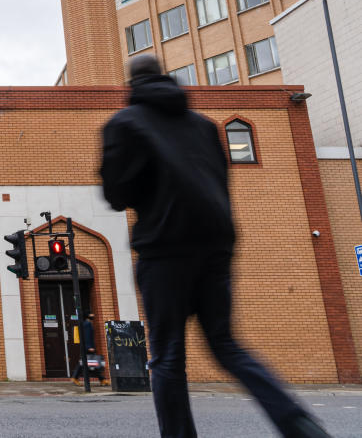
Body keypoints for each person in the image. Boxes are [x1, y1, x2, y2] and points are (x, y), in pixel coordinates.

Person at [101, 54, 329, 438]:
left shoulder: (124, 124)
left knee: (169, 356)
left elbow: (116, 193)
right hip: (215, 246)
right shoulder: (204, 125)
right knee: (225, 344)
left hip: (164, 248)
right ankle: (297, 422)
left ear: (132, 84)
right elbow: (220, 181)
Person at [73, 313, 104, 386]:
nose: (93, 316)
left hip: (86, 347)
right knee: (93, 362)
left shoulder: (86, 323)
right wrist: (89, 347)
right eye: (92, 315)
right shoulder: (87, 324)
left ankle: (102, 379)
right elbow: (86, 336)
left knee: (88, 362)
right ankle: (102, 379)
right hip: (88, 347)